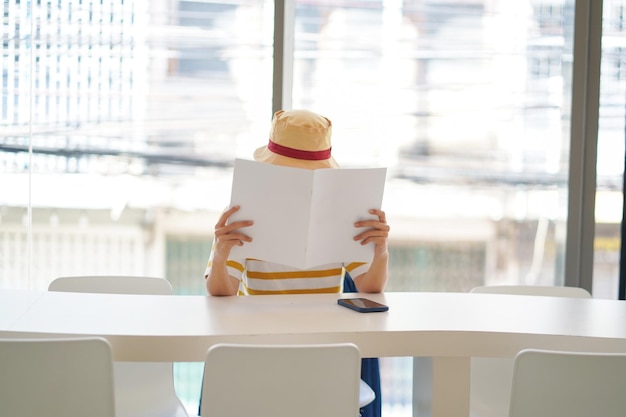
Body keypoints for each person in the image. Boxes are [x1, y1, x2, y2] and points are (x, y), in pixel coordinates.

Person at [204, 109, 390, 296]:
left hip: (324, 323)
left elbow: (369, 287)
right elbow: (220, 292)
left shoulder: (343, 210)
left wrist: (381, 252)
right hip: (259, 323)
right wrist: (220, 256)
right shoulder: (242, 211)